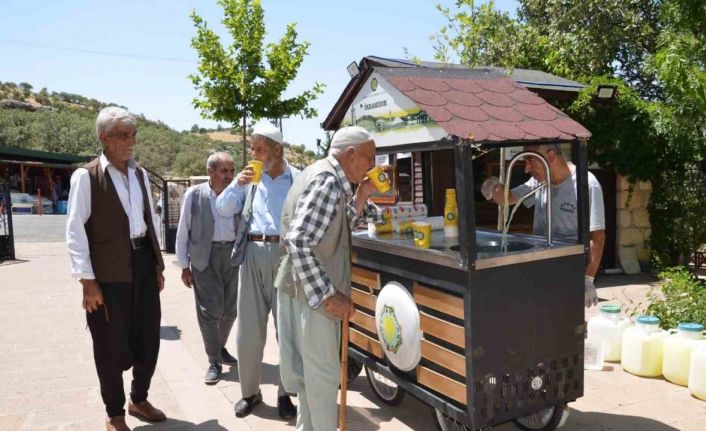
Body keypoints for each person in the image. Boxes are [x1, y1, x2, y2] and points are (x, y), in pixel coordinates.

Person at [275, 126, 382, 431]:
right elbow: (299, 239)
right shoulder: (327, 181)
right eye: (370, 159)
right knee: (322, 381)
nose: (372, 166)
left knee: (311, 382)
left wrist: (360, 199)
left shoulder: (319, 174)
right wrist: (327, 295)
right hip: (312, 295)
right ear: (351, 155)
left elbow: (329, 224)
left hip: (296, 288)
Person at [66, 107, 166, 431]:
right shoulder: (87, 177)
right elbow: (74, 231)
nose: (131, 141)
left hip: (142, 264)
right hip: (108, 273)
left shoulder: (140, 175)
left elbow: (149, 222)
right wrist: (87, 281)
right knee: (109, 344)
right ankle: (114, 413)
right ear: (104, 138)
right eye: (124, 135)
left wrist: (157, 265)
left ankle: (139, 398)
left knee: (149, 337)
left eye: (133, 134)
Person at [215, 122, 298, 420]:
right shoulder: (248, 181)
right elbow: (223, 209)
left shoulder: (297, 179)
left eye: (259, 148)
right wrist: (236, 183)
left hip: (286, 256)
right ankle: (250, 393)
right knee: (248, 330)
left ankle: (286, 392)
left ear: (277, 149)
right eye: (252, 148)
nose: (254, 154)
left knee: (287, 330)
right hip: (251, 253)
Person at [481, 143, 605, 307]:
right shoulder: (538, 181)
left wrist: (588, 279)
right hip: (539, 264)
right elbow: (507, 199)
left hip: (569, 268)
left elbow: (597, 237)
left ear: (551, 155)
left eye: (530, 160)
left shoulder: (586, 184)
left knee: (565, 319)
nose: (526, 169)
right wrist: (493, 189)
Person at [175, 152, 239, 384]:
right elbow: (183, 232)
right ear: (210, 171)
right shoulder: (195, 195)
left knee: (231, 310)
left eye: (232, 171)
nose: (229, 176)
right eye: (224, 171)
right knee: (209, 312)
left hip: (233, 256)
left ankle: (219, 347)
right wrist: (184, 266)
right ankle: (213, 361)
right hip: (204, 258)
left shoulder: (237, 194)